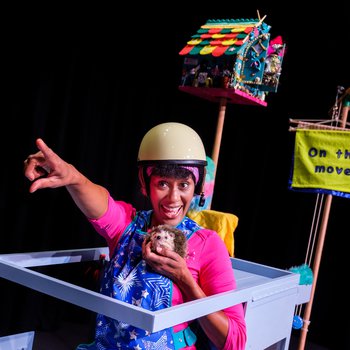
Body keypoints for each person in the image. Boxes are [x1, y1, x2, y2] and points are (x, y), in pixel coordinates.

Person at [23, 122, 247, 349]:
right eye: (162, 183)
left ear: (196, 187)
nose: (173, 198)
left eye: (184, 185)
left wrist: (185, 280)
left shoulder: (208, 243)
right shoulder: (127, 225)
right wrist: (72, 176)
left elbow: (235, 340)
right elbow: (100, 201)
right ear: (144, 182)